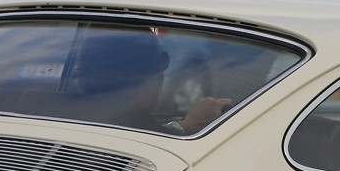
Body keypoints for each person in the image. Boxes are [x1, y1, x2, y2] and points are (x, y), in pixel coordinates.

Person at [67, 29, 230, 134]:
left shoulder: (64, 110)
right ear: (146, 76)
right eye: (163, 63)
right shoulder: (128, 121)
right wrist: (192, 122)